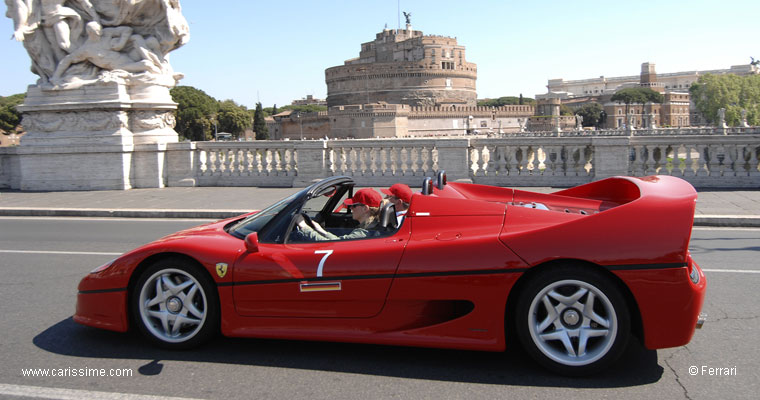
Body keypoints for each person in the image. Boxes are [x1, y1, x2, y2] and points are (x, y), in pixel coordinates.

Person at [296, 188, 383, 241]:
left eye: (354, 205)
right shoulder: (371, 226)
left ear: (365, 209)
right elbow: (339, 240)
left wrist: (304, 227)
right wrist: (320, 229)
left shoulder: (363, 233)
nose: (351, 208)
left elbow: (336, 244)